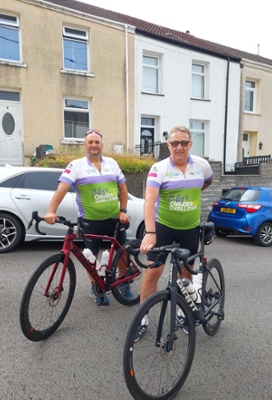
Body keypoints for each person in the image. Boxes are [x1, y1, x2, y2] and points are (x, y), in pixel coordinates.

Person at [135, 125, 213, 341]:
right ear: (168, 145)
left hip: (190, 228)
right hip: (164, 228)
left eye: (184, 143)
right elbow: (149, 201)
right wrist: (150, 232)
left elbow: (208, 180)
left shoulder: (202, 165)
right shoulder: (158, 168)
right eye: (175, 143)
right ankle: (142, 318)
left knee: (185, 274)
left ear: (190, 144)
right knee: (153, 271)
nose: (179, 147)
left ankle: (182, 314)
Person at [44, 129, 130, 306]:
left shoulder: (112, 163)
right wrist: (51, 211)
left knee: (122, 253)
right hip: (91, 221)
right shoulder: (76, 166)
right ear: (84, 145)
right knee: (90, 256)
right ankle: (96, 287)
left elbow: (123, 189)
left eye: (97, 142)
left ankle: (125, 282)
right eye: (90, 142)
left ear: (102, 145)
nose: (94, 145)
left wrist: (123, 210)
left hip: (115, 219)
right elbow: (62, 189)